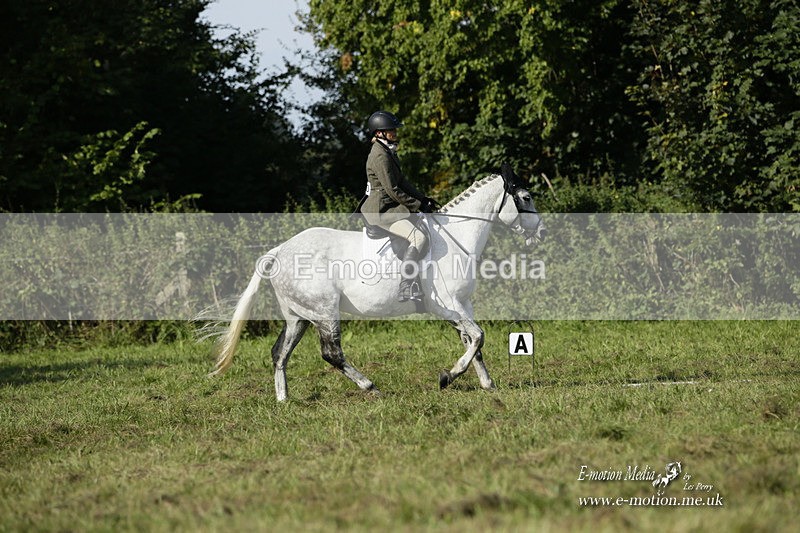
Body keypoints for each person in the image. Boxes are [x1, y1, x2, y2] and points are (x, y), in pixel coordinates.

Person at [359, 110, 437, 302]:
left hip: (391, 207)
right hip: (382, 211)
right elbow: (393, 189)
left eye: (393, 129)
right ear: (379, 133)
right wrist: (417, 205)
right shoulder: (380, 155)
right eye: (390, 130)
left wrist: (423, 199)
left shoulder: (387, 150)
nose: (394, 132)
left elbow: (402, 181)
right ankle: (406, 285)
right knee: (418, 238)